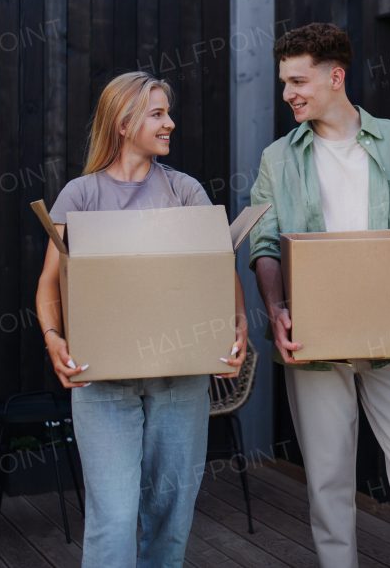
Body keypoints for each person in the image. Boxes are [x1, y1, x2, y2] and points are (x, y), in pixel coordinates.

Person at [248, 22, 390, 568]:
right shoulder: (279, 159)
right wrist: (275, 310)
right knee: (329, 485)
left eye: (297, 81)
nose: (287, 94)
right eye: (283, 82)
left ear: (335, 76)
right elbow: (264, 243)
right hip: (316, 342)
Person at [35, 71, 247, 568]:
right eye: (158, 114)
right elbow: (49, 284)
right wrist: (52, 339)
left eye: (167, 113)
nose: (170, 123)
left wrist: (235, 326)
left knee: (170, 513)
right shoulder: (81, 195)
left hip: (179, 378)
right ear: (124, 123)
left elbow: (221, 271)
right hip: (103, 381)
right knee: (113, 515)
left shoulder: (184, 190)